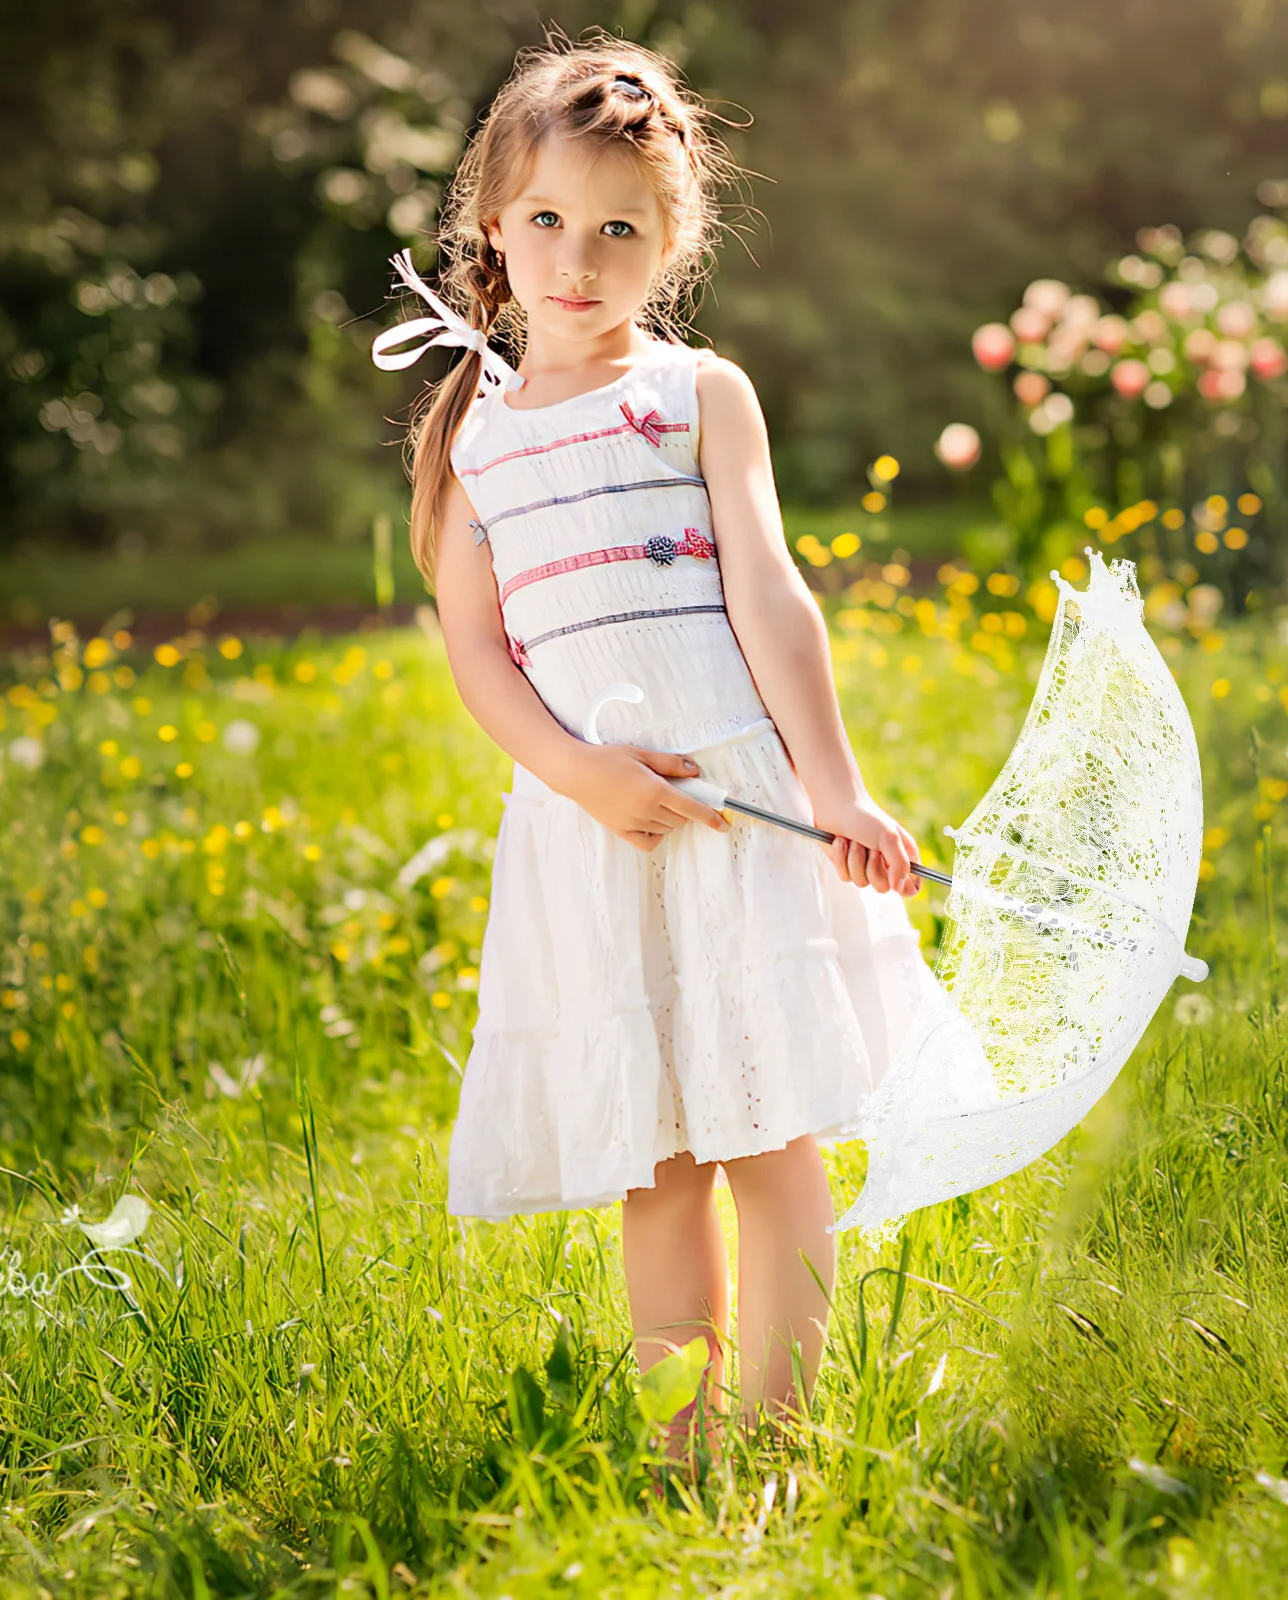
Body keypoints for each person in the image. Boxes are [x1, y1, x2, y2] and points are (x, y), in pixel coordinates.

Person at [370, 31, 948, 1462]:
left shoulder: (697, 394)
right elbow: (482, 655)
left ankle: (778, 1430)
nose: (579, 258)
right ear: (493, 227)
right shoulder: (474, 440)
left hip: (737, 809)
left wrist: (841, 789)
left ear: (672, 242)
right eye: (550, 221)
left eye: (620, 228)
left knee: (768, 1135)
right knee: (666, 1156)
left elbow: (770, 594)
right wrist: (579, 774)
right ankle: (680, 1448)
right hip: (597, 823)